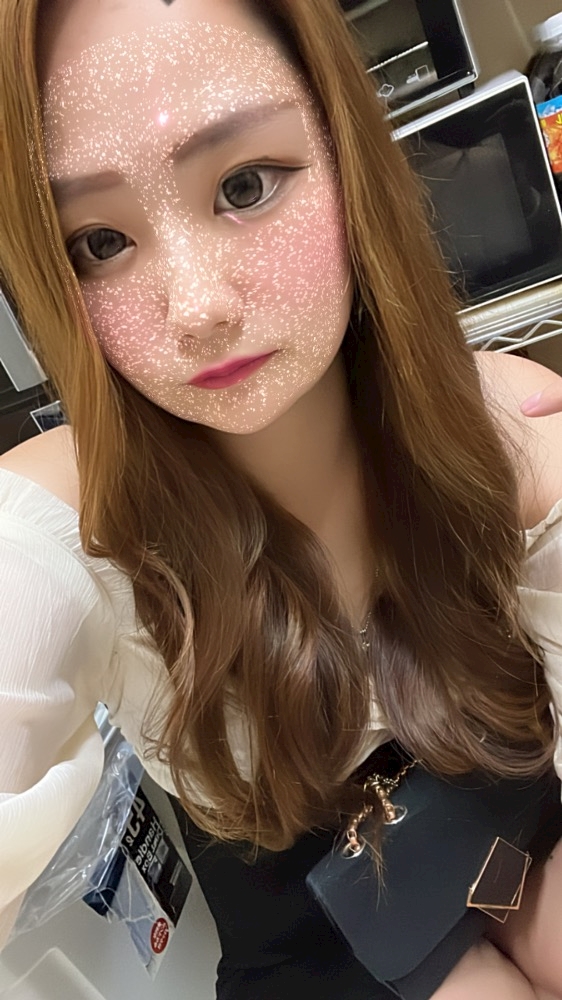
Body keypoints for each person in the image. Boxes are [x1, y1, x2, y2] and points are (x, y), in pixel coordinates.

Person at [1, 0, 562, 996]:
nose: (198, 309)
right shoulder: (64, 526)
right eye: (100, 242)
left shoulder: (501, 424)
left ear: (345, 155)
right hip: (301, 904)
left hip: (500, 805)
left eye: (244, 185)